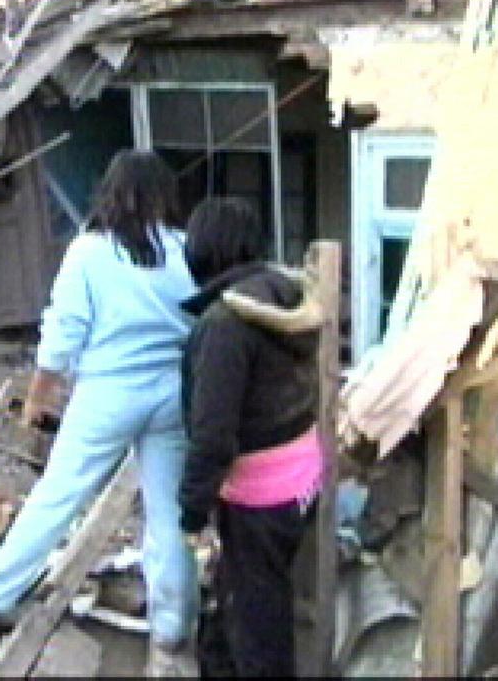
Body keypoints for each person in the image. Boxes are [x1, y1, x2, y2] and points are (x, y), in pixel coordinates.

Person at [0, 149, 200, 676]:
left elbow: (63, 332)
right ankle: (174, 622)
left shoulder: (90, 252)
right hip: (174, 390)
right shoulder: (186, 249)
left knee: (60, 495)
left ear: (111, 192)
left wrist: (39, 393)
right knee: (168, 510)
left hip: (108, 390)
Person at [178, 197, 324, 677]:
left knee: (259, 633)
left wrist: (191, 514)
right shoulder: (287, 295)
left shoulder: (225, 326)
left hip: (258, 500)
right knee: (240, 609)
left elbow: (212, 435)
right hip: (299, 483)